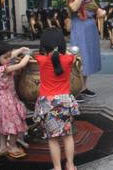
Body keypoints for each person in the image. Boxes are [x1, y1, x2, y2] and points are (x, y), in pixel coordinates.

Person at [33, 28, 79, 170]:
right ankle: (70, 165)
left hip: (47, 103)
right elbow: (73, 54)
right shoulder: (68, 59)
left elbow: (35, 55)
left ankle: (57, 167)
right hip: (65, 101)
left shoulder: (40, 59)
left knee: (52, 139)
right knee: (67, 135)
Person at [0, 42, 31, 158]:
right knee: (14, 125)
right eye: (6, 57)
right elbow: (21, 65)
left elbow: (7, 55)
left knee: (3, 126)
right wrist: (28, 55)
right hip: (7, 101)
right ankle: (12, 146)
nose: (9, 58)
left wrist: (19, 50)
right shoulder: (4, 69)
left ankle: (3, 147)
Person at [66, 0, 106, 100]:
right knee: (79, 57)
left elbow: (93, 6)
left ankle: (83, 87)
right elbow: (73, 8)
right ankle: (76, 89)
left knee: (88, 57)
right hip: (79, 26)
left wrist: (100, 11)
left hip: (89, 26)